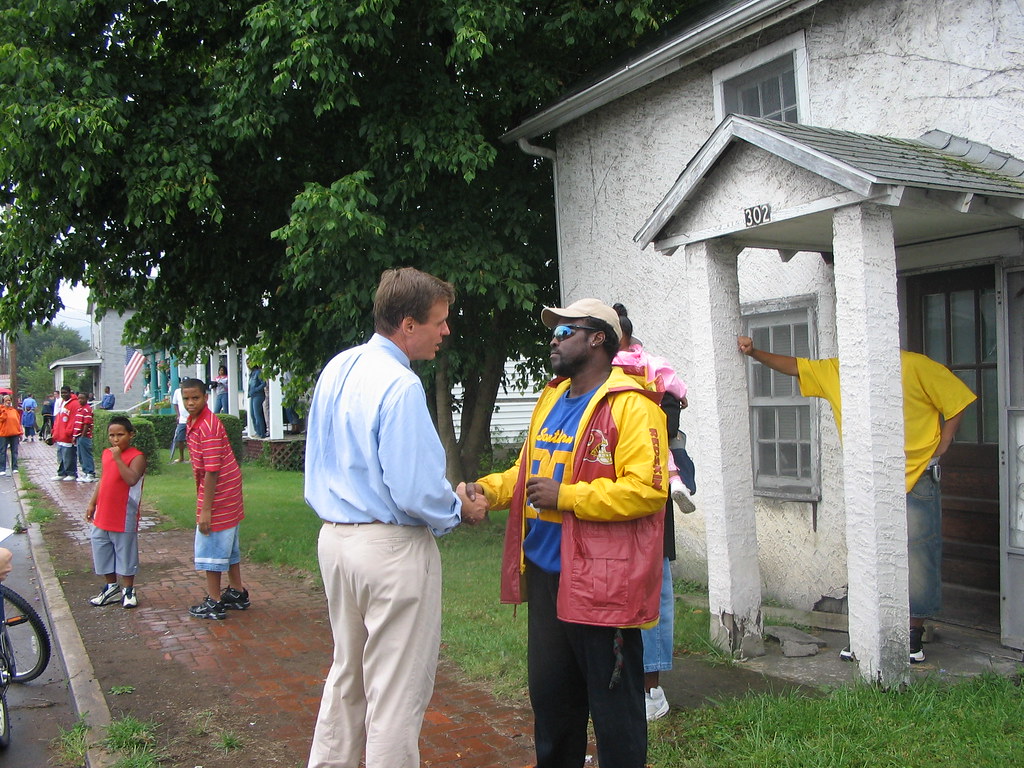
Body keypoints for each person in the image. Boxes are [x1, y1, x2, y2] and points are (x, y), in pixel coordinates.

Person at [467, 298, 668, 768]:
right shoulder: (551, 398)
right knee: (553, 706)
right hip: (545, 574)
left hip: (601, 583)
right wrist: (484, 490)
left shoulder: (633, 407)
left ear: (598, 338)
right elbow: (526, 474)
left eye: (565, 331)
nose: (553, 339)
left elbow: (648, 491)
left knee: (615, 711)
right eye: (553, 332)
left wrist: (569, 496)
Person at [304, 267, 485, 768]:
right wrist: (459, 508)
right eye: (439, 321)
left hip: (336, 540)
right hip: (389, 549)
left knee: (348, 675)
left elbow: (320, 455)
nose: (445, 331)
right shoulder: (400, 385)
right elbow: (413, 491)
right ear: (408, 325)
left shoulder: (339, 368)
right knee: (396, 693)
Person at [737, 335, 977, 663]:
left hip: (916, 474)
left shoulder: (915, 366)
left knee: (918, 555)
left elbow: (958, 399)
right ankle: (865, 633)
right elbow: (795, 366)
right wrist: (754, 353)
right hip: (868, 480)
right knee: (867, 554)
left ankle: (912, 637)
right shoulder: (841, 371)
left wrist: (945, 442)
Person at [612, 304, 696, 721]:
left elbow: (675, 410)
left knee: (655, 592)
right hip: (608, 507)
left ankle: (651, 690)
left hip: (651, 502)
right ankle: (620, 681)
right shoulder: (595, 383)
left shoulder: (647, 376)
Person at [181, 378, 249, 620]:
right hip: (226, 490)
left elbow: (212, 470)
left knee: (211, 544)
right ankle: (238, 592)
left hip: (219, 492)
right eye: (186, 398)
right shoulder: (195, 422)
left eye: (195, 398)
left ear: (205, 398)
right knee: (228, 544)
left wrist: (206, 510)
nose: (190, 402)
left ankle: (214, 601)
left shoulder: (207, 426)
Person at [85, 416, 147, 609]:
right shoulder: (106, 454)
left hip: (123, 513)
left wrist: (119, 458)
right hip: (104, 511)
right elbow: (104, 479)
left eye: (120, 435)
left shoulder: (136, 457)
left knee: (125, 551)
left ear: (131, 434)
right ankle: (111, 587)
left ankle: (128, 590)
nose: (115, 439)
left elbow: (131, 479)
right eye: (112, 435)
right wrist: (92, 503)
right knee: (101, 547)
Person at [52, 386, 80, 481]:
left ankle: (71, 473)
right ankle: (61, 472)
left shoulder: (75, 404)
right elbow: (59, 417)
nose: (64, 395)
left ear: (70, 393)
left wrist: (69, 432)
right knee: (61, 456)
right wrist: (55, 431)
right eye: (62, 393)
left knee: (69, 455)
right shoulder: (63, 402)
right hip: (60, 435)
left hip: (67, 436)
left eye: (65, 393)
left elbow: (73, 419)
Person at [73, 391, 97, 483]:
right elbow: (77, 424)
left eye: (82, 398)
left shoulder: (87, 409)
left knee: (86, 455)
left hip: (85, 436)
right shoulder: (79, 409)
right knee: (81, 456)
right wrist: (75, 436)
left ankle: (90, 473)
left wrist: (83, 435)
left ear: (87, 399)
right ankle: (85, 472)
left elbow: (87, 424)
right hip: (78, 436)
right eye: (78, 398)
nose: (80, 400)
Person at [0, 394, 23, 477]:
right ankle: (2, 469)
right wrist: (4, 410)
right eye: (6, 400)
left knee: (14, 451)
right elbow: (2, 419)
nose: (8, 402)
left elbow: (18, 422)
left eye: (9, 400)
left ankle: (15, 467)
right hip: (3, 434)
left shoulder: (14, 411)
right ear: (3, 402)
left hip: (14, 433)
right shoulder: (1, 410)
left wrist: (20, 432)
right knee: (2, 451)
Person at [169, 385, 189, 463]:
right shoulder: (177, 391)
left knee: (192, 439)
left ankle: (193, 457)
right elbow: (175, 403)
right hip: (182, 420)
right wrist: (178, 415)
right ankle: (181, 457)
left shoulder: (190, 391)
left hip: (192, 419)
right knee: (180, 439)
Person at [247, 365, 267, 438]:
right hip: (252, 395)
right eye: (247, 364)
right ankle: (257, 431)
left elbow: (264, 383)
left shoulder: (258, 372)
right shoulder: (251, 374)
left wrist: (256, 389)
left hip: (258, 395)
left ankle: (261, 433)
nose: (248, 365)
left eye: (249, 363)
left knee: (257, 414)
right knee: (252, 414)